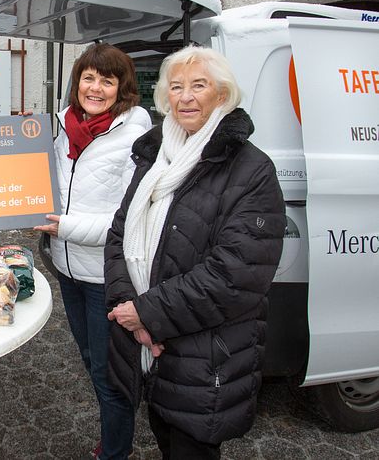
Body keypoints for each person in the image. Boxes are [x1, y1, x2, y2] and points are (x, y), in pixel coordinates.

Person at [104, 45, 286, 459]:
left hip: (206, 358)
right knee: (164, 437)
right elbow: (120, 233)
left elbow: (235, 275)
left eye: (198, 86)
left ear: (221, 96)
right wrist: (126, 307)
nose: (185, 96)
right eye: (176, 87)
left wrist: (145, 313)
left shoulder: (251, 170)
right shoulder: (154, 154)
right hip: (149, 348)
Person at [34, 43, 151, 459]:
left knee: (109, 376)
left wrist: (62, 227)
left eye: (107, 79)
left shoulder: (135, 135)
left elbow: (126, 219)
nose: (95, 87)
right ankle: (114, 435)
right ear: (76, 82)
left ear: (122, 88)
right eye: (88, 77)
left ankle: (115, 452)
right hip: (69, 270)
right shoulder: (65, 127)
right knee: (89, 358)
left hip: (107, 278)